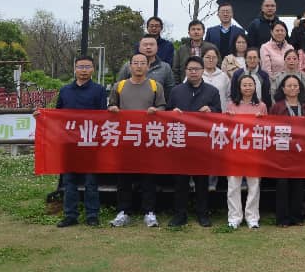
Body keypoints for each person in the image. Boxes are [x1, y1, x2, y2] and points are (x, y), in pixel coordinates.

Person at [45, 56, 107, 227]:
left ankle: (92, 215)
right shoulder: (65, 90)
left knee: (90, 181)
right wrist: (42, 116)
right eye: (80, 66)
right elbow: (57, 115)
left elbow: (103, 116)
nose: (84, 70)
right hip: (69, 143)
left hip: (89, 142)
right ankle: (70, 215)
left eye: (87, 66)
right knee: (69, 181)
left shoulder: (99, 90)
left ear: (93, 69)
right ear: (75, 69)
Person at [108, 52, 166, 228]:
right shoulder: (119, 86)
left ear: (148, 66)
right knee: (124, 177)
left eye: (142, 63)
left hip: (148, 138)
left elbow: (163, 108)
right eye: (135, 63)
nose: (139, 66)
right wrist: (113, 108)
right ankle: (123, 211)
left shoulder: (156, 86)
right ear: (130, 66)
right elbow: (111, 106)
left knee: (148, 177)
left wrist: (156, 111)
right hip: (125, 138)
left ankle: (149, 212)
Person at [167, 56, 221, 227]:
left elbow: (219, 114)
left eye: (196, 69)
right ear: (185, 71)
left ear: (202, 70)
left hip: (202, 143)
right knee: (180, 181)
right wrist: (172, 112)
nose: (193, 72)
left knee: (202, 182)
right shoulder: (176, 91)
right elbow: (167, 113)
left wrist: (211, 110)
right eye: (190, 69)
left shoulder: (212, 91)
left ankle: (202, 214)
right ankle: (179, 214)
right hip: (181, 142)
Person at [224, 74, 268, 229]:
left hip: (253, 151)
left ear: (255, 87)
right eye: (244, 85)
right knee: (233, 185)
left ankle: (252, 217)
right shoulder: (231, 105)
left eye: (250, 85)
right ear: (239, 87)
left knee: (254, 185)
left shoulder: (261, 106)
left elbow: (267, 129)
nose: (247, 88)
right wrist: (228, 118)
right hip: (235, 151)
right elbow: (225, 129)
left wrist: (261, 119)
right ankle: (234, 217)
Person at [270, 75, 305, 226]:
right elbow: (270, 128)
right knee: (282, 185)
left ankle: (297, 216)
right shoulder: (277, 107)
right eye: (289, 86)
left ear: (300, 89)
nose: (293, 88)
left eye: (295, 86)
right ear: (283, 89)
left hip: (300, 152)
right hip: (282, 151)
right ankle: (283, 218)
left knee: (298, 185)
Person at [117, 34, 176, 101]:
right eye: (145, 45)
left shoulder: (165, 67)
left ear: (157, 48)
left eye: (152, 45)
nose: (148, 47)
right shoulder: (128, 66)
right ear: (139, 48)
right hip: (130, 105)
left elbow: (170, 90)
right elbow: (119, 87)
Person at [201, 46, 230, 111]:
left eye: (214, 57)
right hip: (200, 113)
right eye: (208, 57)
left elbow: (229, 96)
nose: (211, 60)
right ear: (202, 58)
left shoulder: (224, 76)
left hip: (220, 113)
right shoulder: (195, 75)